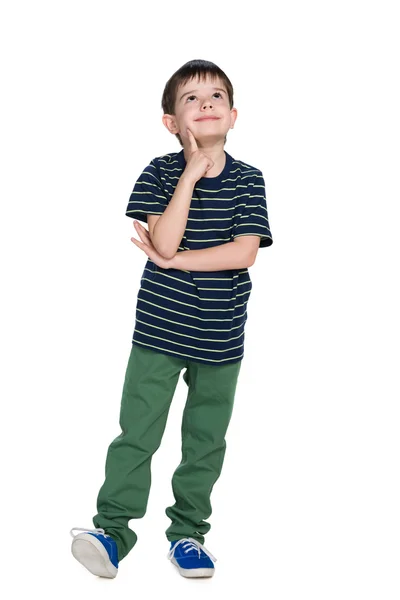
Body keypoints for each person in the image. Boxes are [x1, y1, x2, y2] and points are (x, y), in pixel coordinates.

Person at [70, 58, 273, 579]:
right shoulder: (160, 172)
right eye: (191, 99)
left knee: (205, 440)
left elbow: (243, 253)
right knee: (137, 433)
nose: (205, 104)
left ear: (233, 115)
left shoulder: (250, 179)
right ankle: (112, 532)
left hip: (222, 336)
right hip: (159, 330)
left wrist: (175, 261)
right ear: (170, 122)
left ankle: (188, 534)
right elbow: (162, 238)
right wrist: (189, 174)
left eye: (216, 97)